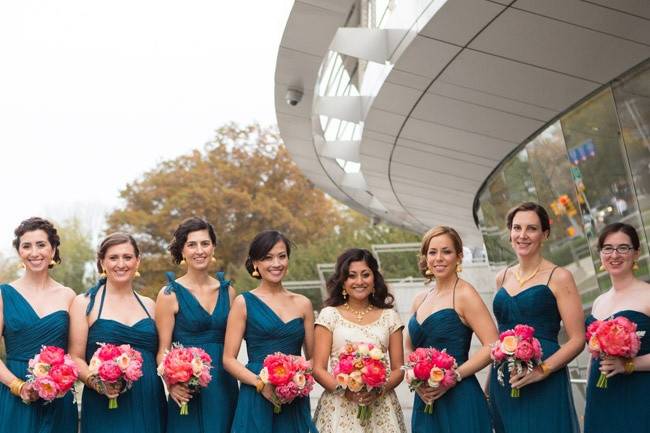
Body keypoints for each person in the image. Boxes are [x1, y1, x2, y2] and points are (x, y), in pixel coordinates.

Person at [489, 202, 583, 433]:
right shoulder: (502, 277)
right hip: (505, 378)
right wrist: (489, 384)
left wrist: (542, 371)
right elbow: (499, 338)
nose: (522, 235)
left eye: (531, 228)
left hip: (545, 377)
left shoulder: (560, 277)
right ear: (510, 233)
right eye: (517, 228)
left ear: (545, 234)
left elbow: (577, 339)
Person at [69, 233, 166, 433]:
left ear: (137, 261)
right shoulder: (85, 303)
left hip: (149, 399)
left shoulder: (150, 305)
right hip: (104, 401)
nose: (121, 264)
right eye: (113, 258)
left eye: (127, 257)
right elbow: (74, 357)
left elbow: (162, 354)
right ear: (102, 262)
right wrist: (97, 384)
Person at [223, 230, 317, 433]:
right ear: (255, 263)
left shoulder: (303, 304)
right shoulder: (243, 303)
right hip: (256, 394)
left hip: (294, 398)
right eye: (268, 257)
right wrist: (260, 384)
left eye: (282, 256)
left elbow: (314, 359)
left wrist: (296, 378)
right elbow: (228, 359)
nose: (276, 263)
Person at [406, 226, 497, 433]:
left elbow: (492, 344)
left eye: (446, 251)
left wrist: (453, 376)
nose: (439, 258)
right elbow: (407, 347)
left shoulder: (465, 294)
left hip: (459, 396)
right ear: (425, 257)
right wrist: (413, 378)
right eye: (432, 252)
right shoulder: (420, 299)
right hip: (425, 400)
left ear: (459, 256)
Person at [155, 217, 238, 433]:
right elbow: (163, 350)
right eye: (191, 245)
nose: (199, 250)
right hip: (187, 390)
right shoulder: (169, 295)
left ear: (213, 247)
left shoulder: (228, 292)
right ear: (182, 250)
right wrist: (172, 383)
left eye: (205, 243)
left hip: (224, 385)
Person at [312, 248, 407, 433]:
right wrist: (346, 392)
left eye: (365, 275)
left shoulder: (390, 317)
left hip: (382, 406)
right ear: (342, 281)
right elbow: (318, 369)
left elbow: (398, 368)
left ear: (374, 279)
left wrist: (378, 390)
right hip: (338, 408)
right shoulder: (329, 315)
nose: (359, 281)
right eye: (351, 276)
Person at [0, 217, 77, 433]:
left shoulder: (69, 296)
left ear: (53, 250)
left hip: (59, 398)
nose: (34, 252)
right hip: (14, 393)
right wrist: (19, 386)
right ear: (19, 252)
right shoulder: (3, 294)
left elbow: (75, 352)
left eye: (41, 245)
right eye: (27, 246)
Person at [584, 223, 650, 433]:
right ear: (601, 255)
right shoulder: (598, 302)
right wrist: (588, 398)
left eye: (623, 248)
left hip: (639, 395)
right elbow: (591, 358)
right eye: (608, 248)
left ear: (636, 253)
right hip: (600, 397)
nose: (615, 254)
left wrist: (628, 365)